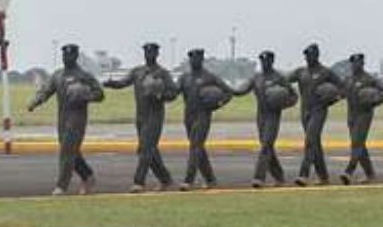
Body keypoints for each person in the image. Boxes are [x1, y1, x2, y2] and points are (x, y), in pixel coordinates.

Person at [26, 43, 104, 194]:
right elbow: (46, 91)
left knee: (67, 151)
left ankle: (61, 186)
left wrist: (84, 94)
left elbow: (99, 94)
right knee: (70, 150)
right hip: (63, 117)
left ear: (75, 56)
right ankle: (88, 176)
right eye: (64, 55)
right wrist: (35, 102)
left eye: (69, 55)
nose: (66, 58)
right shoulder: (58, 75)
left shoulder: (84, 76)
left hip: (78, 118)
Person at [103, 42, 178, 191]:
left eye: (152, 52)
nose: (149, 55)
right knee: (149, 150)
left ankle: (139, 182)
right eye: (146, 52)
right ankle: (166, 179)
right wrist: (111, 83)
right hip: (141, 117)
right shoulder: (137, 72)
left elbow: (173, 93)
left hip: (155, 116)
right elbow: (123, 82)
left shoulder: (163, 73)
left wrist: (159, 95)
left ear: (157, 54)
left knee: (145, 149)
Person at [174, 47, 234, 189]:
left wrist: (217, 104)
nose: (195, 61)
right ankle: (211, 180)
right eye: (192, 58)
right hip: (188, 116)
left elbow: (228, 93)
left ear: (202, 60)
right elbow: (174, 92)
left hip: (203, 115)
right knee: (198, 148)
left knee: (195, 146)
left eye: (198, 58)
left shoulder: (209, 77)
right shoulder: (184, 78)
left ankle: (188, 181)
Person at [242, 50, 295, 187]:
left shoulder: (279, 78)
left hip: (273, 115)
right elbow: (241, 91)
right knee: (267, 146)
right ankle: (279, 176)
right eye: (262, 60)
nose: (264, 63)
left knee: (266, 145)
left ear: (272, 61)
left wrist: (282, 103)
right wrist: (226, 91)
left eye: (267, 60)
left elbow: (294, 97)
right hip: (261, 116)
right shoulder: (256, 78)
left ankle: (259, 178)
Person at [290, 43, 341, 185]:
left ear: (316, 55)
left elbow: (343, 88)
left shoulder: (326, 72)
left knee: (310, 140)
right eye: (305, 55)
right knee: (315, 144)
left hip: (319, 111)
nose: (307, 57)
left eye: (310, 55)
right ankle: (323, 177)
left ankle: (303, 175)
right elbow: (284, 81)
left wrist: (333, 99)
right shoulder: (301, 72)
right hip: (304, 111)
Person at [340, 52, 383, 184]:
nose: (355, 65)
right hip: (351, 115)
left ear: (362, 64)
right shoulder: (348, 79)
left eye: (358, 62)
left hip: (364, 114)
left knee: (357, 143)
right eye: (353, 63)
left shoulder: (369, 79)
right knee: (359, 145)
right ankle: (370, 174)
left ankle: (349, 171)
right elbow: (341, 93)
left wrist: (374, 100)